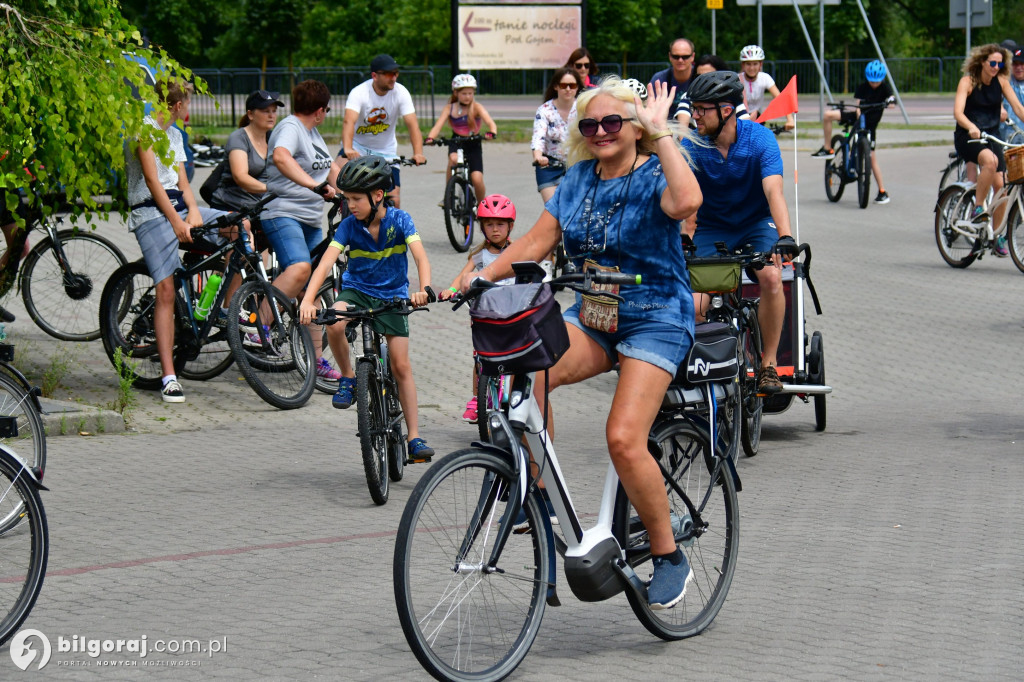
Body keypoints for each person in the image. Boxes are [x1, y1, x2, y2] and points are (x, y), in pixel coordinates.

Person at [461, 77, 703, 610]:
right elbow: (535, 241)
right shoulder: (577, 179)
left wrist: (663, 136)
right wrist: (481, 278)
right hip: (594, 315)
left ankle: (668, 556)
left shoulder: (652, 171)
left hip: (656, 315)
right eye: (590, 124)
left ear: (634, 127)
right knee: (524, 380)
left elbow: (687, 201)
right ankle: (539, 497)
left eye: (613, 122)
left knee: (621, 437)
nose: (600, 132)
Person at [297, 156, 435, 461]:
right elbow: (326, 263)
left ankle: (414, 437)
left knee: (400, 366)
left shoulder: (401, 220)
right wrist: (307, 300)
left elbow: (421, 257)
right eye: (347, 199)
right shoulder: (348, 226)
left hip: (393, 296)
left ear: (378, 195)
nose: (351, 205)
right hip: (357, 291)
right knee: (334, 321)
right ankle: (348, 377)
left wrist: (423, 288)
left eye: (356, 199)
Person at [681, 71, 794, 395]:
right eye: (694, 108)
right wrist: (685, 237)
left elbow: (774, 193)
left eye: (702, 109)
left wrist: (785, 236)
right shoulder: (692, 144)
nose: (695, 115)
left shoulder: (760, 140)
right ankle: (706, 364)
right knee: (695, 304)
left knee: (771, 278)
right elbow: (686, 202)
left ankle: (768, 365)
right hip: (712, 228)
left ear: (726, 110)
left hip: (756, 224)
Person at [123, 80, 236, 403]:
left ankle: (219, 305)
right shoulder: (144, 131)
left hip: (178, 206)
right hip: (151, 212)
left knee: (236, 227)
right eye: (186, 103)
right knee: (166, 290)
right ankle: (169, 376)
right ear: (176, 106)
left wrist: (193, 214)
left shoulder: (174, 135)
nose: (188, 109)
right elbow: (151, 181)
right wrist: (177, 221)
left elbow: (184, 181)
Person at [261, 79, 343, 381]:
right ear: (320, 110)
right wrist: (313, 185)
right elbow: (281, 157)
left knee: (313, 289)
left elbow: (329, 170)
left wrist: (357, 192)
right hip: (282, 213)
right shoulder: (291, 128)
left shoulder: (313, 133)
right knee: (299, 269)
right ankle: (258, 327)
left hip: (309, 219)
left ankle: (316, 359)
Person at [438, 194, 518, 424]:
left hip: (511, 313)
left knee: (514, 358)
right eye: (489, 224)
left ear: (510, 226)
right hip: (484, 314)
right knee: (480, 359)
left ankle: (514, 397)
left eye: (500, 224)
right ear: (482, 227)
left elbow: (528, 273)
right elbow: (464, 275)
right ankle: (476, 399)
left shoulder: (515, 251)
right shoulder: (480, 254)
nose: (495, 229)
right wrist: (452, 289)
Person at [954, 44, 1024, 256]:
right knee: (990, 162)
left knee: (1003, 184)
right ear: (982, 62)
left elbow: (1019, 109)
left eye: (1000, 63)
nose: (996, 67)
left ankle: (997, 235)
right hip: (969, 136)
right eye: (992, 63)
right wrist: (971, 126)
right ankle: (978, 207)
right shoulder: (968, 82)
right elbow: (958, 112)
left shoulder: (1001, 82)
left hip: (992, 135)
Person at [338, 54, 426, 208]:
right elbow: (348, 121)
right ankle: (345, 222)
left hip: (386, 152)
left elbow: (413, 125)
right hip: (358, 149)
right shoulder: (359, 93)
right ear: (374, 75)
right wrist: (347, 148)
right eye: (388, 74)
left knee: (394, 199)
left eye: (396, 73)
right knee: (337, 177)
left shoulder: (401, 92)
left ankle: (392, 231)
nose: (393, 77)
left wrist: (418, 152)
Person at [811, 60, 896, 204]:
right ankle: (827, 148)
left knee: (872, 158)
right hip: (858, 118)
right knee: (828, 115)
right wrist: (858, 115)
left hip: (870, 126)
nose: (874, 84)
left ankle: (882, 191)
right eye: (871, 81)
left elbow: (892, 100)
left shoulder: (885, 88)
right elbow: (857, 106)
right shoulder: (862, 87)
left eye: (877, 81)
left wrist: (890, 102)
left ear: (882, 79)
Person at [425, 74, 497, 204]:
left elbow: (491, 123)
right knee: (452, 159)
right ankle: (450, 195)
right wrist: (431, 138)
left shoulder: (477, 107)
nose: (468, 96)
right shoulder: (450, 108)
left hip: (473, 143)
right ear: (456, 93)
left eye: (470, 93)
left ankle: (482, 206)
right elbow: (438, 125)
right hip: (456, 141)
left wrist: (491, 133)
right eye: (464, 93)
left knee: (477, 179)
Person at [209, 89, 282, 212]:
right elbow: (240, 177)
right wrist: (271, 188)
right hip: (232, 206)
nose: (271, 116)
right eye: (266, 111)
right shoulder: (238, 138)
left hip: (260, 206)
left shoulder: (273, 137)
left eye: (274, 111)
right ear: (250, 115)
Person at [532, 68, 583, 203]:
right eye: (563, 85)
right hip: (549, 166)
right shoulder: (544, 110)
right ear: (556, 86)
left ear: (577, 87)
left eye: (572, 85)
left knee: (575, 211)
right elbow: (539, 137)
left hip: (576, 166)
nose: (567, 89)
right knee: (553, 212)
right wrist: (538, 156)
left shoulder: (583, 108)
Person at [738, 45, 794, 131]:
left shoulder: (765, 78)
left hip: (757, 117)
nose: (752, 68)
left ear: (760, 64)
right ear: (743, 65)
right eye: (748, 64)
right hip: (739, 117)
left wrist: (790, 119)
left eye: (755, 64)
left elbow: (780, 99)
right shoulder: (737, 79)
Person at [652, 38, 697, 126]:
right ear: (670, 56)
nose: (680, 60)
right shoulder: (659, 80)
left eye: (685, 57)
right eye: (676, 56)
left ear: (692, 57)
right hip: (666, 127)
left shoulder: (699, 78)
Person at [1000, 48, 1024, 142]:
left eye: (1022, 64)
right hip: (1007, 137)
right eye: (1015, 64)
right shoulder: (1004, 83)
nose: (1018, 67)